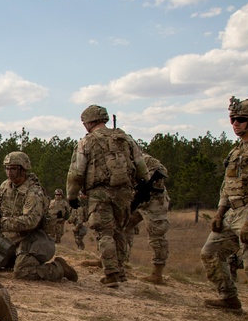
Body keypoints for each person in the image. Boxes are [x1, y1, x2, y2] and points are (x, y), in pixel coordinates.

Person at [66, 104, 148, 287]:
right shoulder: (125, 138)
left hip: (99, 192)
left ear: (89, 122)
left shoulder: (86, 142)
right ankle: (120, 271)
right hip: (125, 192)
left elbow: (77, 172)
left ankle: (111, 274)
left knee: (104, 232)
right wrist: (143, 184)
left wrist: (71, 196)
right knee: (119, 230)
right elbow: (141, 165)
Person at [0, 152, 78, 283]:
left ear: (23, 169)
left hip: (33, 239)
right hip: (10, 238)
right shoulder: (4, 187)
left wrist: (2, 223)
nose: (9, 172)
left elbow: (30, 222)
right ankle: (17, 260)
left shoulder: (33, 192)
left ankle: (59, 268)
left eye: (13, 168)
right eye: (7, 168)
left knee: (22, 273)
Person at [201, 95, 248, 312]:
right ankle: (229, 299)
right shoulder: (237, 150)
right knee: (210, 253)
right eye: (232, 119)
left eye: (240, 119)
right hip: (232, 212)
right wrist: (219, 212)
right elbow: (227, 184)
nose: (235, 124)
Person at [131, 153, 170, 284]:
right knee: (118, 228)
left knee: (157, 236)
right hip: (136, 201)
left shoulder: (143, 158)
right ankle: (114, 263)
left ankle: (157, 274)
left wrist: (146, 184)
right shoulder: (119, 159)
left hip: (154, 202)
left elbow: (163, 170)